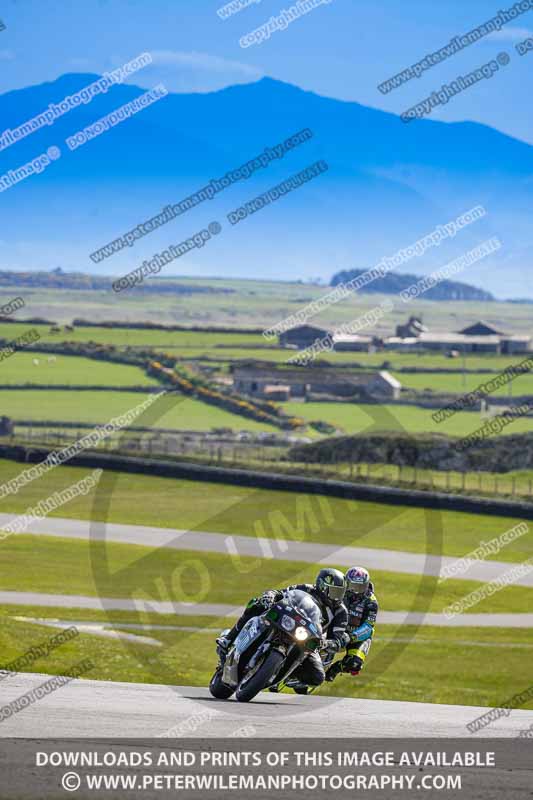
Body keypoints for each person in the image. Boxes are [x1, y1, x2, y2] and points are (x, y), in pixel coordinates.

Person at [216, 568, 349, 694]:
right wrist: (270, 596)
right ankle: (228, 639)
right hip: (284, 619)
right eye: (334, 592)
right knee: (256, 603)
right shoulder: (307, 588)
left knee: (317, 677)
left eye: (341, 593)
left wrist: (325, 644)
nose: (337, 597)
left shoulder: (341, 612)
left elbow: (337, 640)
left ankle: (287, 673)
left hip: (306, 638)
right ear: (322, 586)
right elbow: (281, 593)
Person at [325, 566, 378, 682]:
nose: (355, 591)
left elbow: (368, 626)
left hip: (357, 636)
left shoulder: (371, 602)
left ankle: (336, 668)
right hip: (336, 627)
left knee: (355, 664)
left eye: (360, 587)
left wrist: (352, 636)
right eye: (353, 586)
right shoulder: (339, 592)